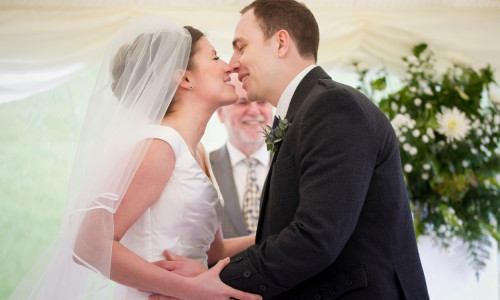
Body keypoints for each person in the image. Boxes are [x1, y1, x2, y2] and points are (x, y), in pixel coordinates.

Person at [154, 1, 430, 299]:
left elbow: (315, 237)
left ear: (281, 43)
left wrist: (214, 279)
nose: (232, 63)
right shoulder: (304, 113)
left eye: (241, 47)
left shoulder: (334, 108)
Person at [8, 16, 260, 300]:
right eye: (215, 57)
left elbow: (214, 252)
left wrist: (279, 234)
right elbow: (88, 244)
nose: (228, 66)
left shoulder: (197, 151)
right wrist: (187, 288)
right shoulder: (158, 145)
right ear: (185, 78)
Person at [210, 73, 273, 238]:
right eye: (242, 102)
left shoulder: (296, 164)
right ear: (220, 113)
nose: (254, 110)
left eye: (261, 101)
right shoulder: (202, 167)